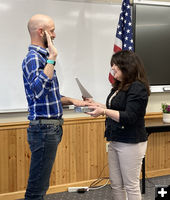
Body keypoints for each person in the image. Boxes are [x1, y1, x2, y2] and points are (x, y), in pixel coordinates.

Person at [22, 14, 88, 200]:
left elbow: (49, 97)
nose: (55, 35)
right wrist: (51, 58)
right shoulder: (34, 58)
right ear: (41, 32)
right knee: (37, 189)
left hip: (50, 128)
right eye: (52, 31)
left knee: (41, 184)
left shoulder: (42, 58)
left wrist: (74, 101)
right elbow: (38, 91)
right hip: (44, 129)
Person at [86, 50, 150, 200]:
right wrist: (95, 104)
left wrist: (103, 111)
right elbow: (114, 109)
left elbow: (129, 117)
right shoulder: (119, 86)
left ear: (127, 67)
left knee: (131, 185)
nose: (113, 68)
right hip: (115, 139)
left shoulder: (137, 87)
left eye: (115, 65)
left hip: (131, 142)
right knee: (116, 183)